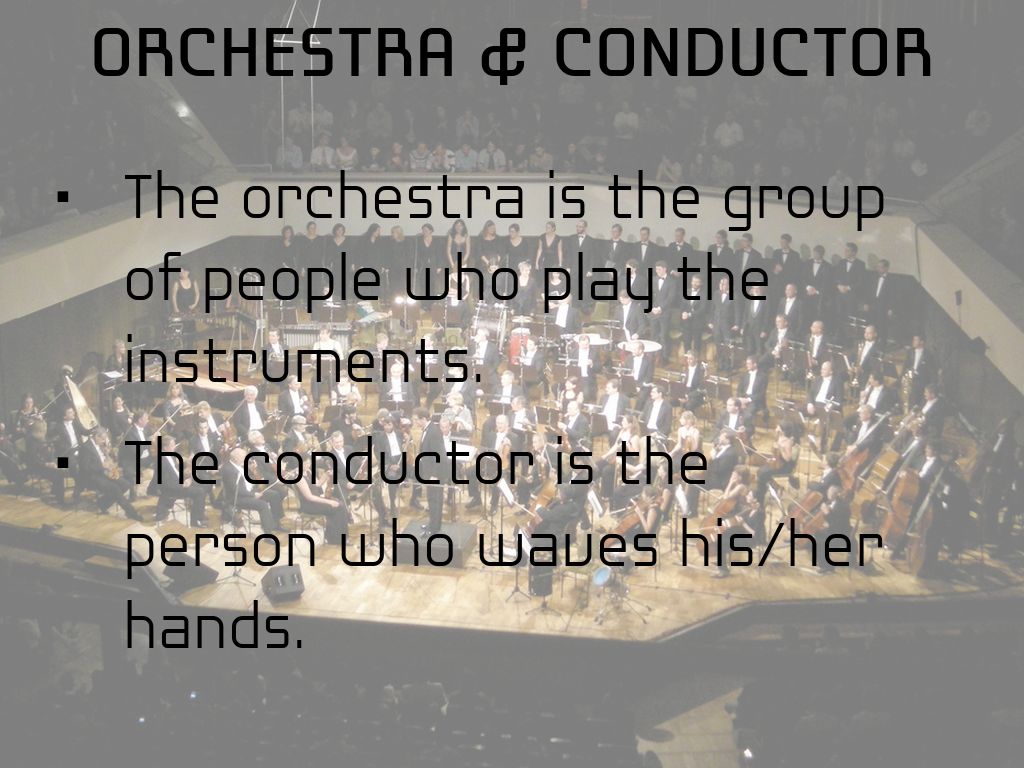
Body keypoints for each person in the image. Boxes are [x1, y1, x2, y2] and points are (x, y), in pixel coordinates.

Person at [149, 435, 210, 526]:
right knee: (199, 492)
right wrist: (182, 485)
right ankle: (196, 520)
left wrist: (185, 474)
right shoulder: (161, 461)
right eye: (172, 445)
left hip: (178, 482)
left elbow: (174, 472)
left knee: (204, 484)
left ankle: (199, 511)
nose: (175, 446)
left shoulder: (171, 456)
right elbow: (164, 482)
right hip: (172, 489)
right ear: (165, 448)